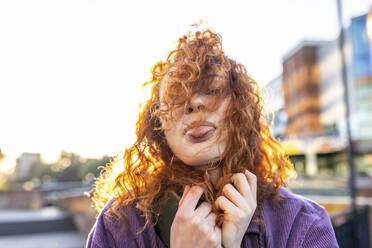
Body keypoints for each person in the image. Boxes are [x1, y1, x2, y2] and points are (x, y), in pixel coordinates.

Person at [86, 29, 339, 248]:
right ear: (159, 123)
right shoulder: (120, 224)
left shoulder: (303, 223)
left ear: (239, 109)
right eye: (176, 96)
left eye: (212, 90)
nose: (195, 103)